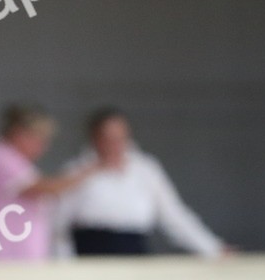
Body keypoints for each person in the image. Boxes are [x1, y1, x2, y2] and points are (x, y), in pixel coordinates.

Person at [53, 107, 227, 256]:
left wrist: (212, 248)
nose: (114, 145)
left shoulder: (145, 169)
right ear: (94, 139)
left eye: (119, 138)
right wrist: (63, 262)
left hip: (134, 252)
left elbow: (174, 215)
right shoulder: (76, 170)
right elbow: (58, 224)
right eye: (107, 139)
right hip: (90, 254)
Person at [0, 103, 99, 260]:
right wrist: (91, 170)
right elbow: (43, 188)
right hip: (2, 255)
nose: (43, 147)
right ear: (19, 133)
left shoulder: (16, 161)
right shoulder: (0, 157)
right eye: (38, 139)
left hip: (20, 253)